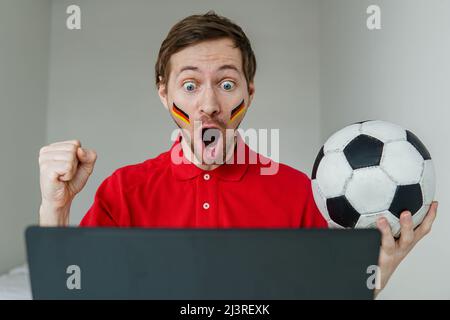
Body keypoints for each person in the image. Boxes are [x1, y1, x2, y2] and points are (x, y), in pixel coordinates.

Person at [37, 11, 438, 296]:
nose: (209, 104)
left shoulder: (300, 192)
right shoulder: (123, 191)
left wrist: (379, 273)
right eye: (190, 85)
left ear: (250, 91)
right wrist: (55, 210)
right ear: (165, 94)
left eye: (227, 84)